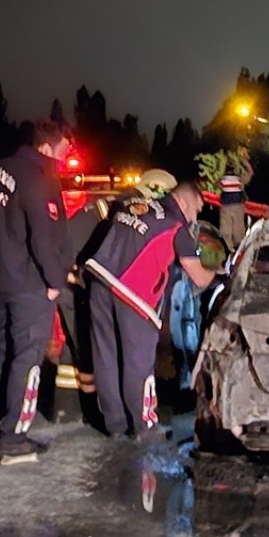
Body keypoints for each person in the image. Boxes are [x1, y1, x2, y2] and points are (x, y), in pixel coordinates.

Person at [0, 119, 72, 464]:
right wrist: (55, 282)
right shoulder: (39, 177)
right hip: (29, 285)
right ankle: (12, 437)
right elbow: (43, 235)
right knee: (27, 360)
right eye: (62, 152)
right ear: (46, 147)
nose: (62, 161)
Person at [82, 181, 217, 441]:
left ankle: (116, 425)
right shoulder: (178, 226)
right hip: (134, 295)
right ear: (186, 202)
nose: (195, 217)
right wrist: (219, 275)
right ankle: (144, 426)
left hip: (100, 280)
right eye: (197, 210)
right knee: (138, 363)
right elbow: (199, 277)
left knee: (106, 358)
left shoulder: (135, 206)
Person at [217, 155, 253, 251]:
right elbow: (250, 173)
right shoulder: (240, 180)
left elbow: (217, 185)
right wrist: (245, 162)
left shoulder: (222, 180)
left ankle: (227, 250)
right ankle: (239, 251)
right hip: (237, 206)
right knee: (238, 231)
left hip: (225, 206)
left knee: (225, 231)